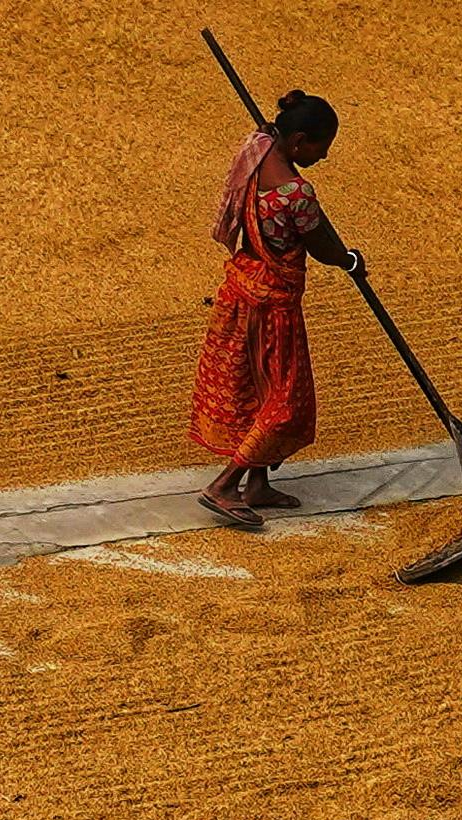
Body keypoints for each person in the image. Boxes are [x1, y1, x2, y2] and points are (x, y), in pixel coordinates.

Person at [192, 92, 357, 535]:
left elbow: (268, 135)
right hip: (273, 307)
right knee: (284, 401)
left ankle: (257, 485)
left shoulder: (257, 149)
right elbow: (323, 248)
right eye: (321, 148)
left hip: (242, 289)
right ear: (300, 141)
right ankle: (225, 487)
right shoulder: (296, 194)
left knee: (254, 389)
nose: (322, 157)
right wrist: (349, 259)